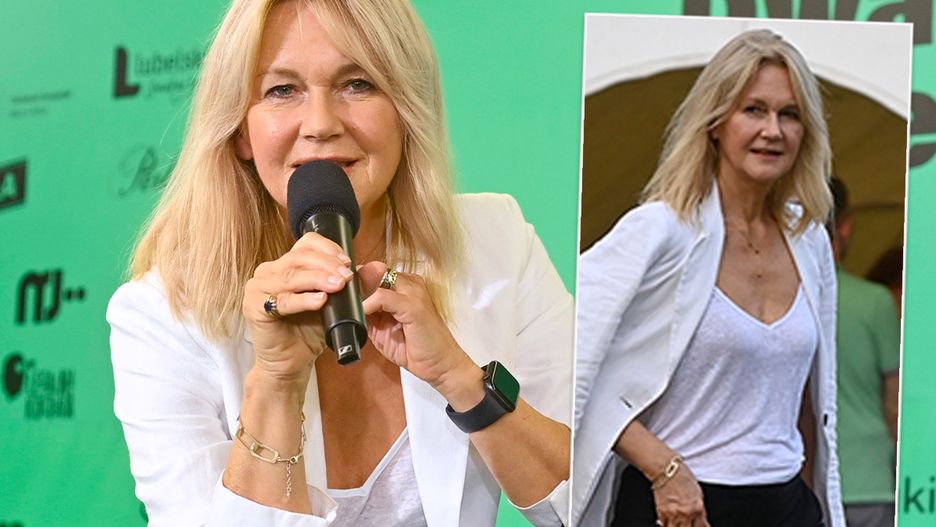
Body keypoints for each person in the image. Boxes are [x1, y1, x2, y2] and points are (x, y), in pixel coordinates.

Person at [106, 1, 572, 525]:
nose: (321, 124)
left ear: (406, 109)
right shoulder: (162, 314)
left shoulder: (496, 241)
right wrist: (276, 383)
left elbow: (585, 504)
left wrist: (460, 378)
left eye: (357, 84)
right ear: (240, 130)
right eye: (282, 90)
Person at [573, 29, 844, 526]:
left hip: (786, 505)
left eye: (789, 114)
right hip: (676, 508)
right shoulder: (660, 230)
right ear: (716, 122)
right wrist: (663, 468)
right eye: (754, 110)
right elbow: (564, 357)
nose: (773, 130)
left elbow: (809, 397)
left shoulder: (809, 239)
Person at [829, 177, 900, 527]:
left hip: (799, 476)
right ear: (846, 227)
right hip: (868, 477)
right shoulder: (874, 302)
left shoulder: (779, 298)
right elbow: (896, 402)